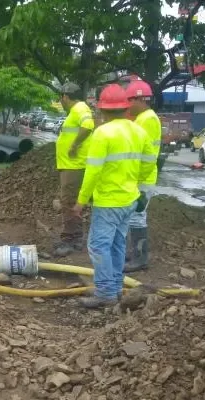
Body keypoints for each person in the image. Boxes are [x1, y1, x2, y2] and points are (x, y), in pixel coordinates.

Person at [73, 84, 158, 309]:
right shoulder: (138, 130)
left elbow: (93, 171)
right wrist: (137, 185)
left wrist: (82, 200)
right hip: (129, 199)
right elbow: (150, 161)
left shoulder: (103, 133)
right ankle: (117, 287)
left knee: (98, 245)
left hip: (108, 201)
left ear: (103, 109)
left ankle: (105, 293)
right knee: (117, 244)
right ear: (124, 107)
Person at [54, 82, 96, 257]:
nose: (61, 101)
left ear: (65, 96)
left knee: (69, 202)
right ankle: (76, 237)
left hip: (75, 166)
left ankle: (69, 240)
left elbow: (88, 126)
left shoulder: (80, 108)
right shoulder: (77, 110)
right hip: (71, 166)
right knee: (71, 201)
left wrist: (74, 146)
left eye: (61, 98)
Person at [124, 80, 161, 272]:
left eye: (130, 100)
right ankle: (135, 254)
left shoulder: (148, 119)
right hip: (138, 177)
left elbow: (146, 154)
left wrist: (136, 176)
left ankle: (140, 258)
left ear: (139, 99)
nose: (128, 105)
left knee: (137, 216)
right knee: (133, 216)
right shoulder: (143, 118)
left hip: (143, 178)